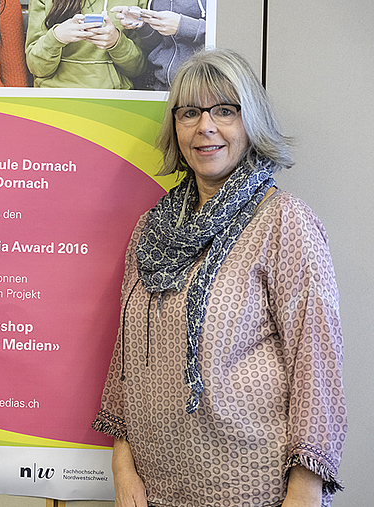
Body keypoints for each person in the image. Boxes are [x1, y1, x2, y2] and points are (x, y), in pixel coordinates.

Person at [93, 48, 346, 507]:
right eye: (190, 112)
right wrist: (122, 465)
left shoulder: (284, 221)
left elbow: (317, 366)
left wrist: (305, 492)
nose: (205, 126)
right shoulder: (151, 230)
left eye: (225, 111)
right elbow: (127, 354)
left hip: (254, 489)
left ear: (251, 122)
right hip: (155, 487)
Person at [25, 0, 146, 88]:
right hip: (55, 96)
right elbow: (36, 67)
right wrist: (56, 37)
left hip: (113, 98)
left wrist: (116, 43)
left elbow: (139, 69)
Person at [113, 0, 206, 90]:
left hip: (203, 88)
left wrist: (181, 25)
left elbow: (219, 34)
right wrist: (142, 25)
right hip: (162, 88)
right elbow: (156, 44)